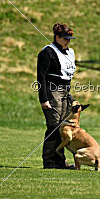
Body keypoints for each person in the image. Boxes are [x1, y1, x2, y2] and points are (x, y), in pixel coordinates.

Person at [37, 23, 76, 169]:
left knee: (62, 128)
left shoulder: (70, 52)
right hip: (52, 92)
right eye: (65, 38)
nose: (68, 41)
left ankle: (60, 161)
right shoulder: (47, 53)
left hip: (65, 92)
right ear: (57, 37)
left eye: (70, 38)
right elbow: (40, 78)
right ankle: (49, 162)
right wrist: (44, 99)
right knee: (54, 127)